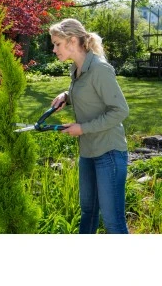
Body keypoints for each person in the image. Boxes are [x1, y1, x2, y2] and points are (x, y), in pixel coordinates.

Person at [49, 18, 129, 234]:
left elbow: (120, 110)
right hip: (88, 152)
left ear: (72, 41)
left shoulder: (100, 69)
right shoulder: (77, 69)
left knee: (113, 222)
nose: (54, 49)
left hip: (109, 152)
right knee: (88, 212)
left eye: (57, 44)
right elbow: (89, 94)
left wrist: (82, 128)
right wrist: (66, 96)